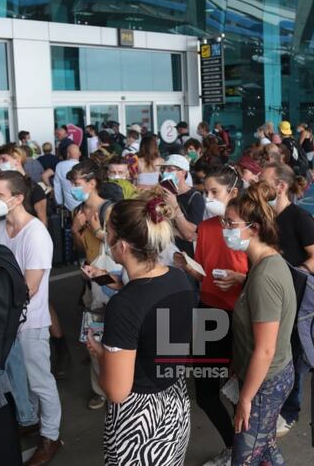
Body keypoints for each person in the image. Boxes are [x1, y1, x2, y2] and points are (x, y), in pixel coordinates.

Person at [86, 195, 195, 466]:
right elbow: (146, 301)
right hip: (175, 406)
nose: (103, 236)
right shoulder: (177, 277)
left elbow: (117, 391)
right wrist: (100, 276)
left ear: (122, 246)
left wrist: (100, 353)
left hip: (140, 424)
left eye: (106, 231)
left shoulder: (124, 306)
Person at [172, 166, 247, 465]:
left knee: (241, 392)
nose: (209, 197)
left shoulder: (247, 228)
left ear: (233, 193)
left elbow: (265, 273)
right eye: (205, 191)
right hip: (208, 313)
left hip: (240, 318)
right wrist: (188, 267)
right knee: (206, 392)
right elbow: (204, 270)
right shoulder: (205, 228)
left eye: (215, 192)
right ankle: (234, 446)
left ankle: (248, 448)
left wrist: (240, 279)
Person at [0, 171, 62, 465]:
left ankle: (51, 436)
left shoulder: (35, 234)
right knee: (19, 379)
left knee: (40, 381)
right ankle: (29, 420)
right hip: (8, 320)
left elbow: (29, 287)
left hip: (30, 322)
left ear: (18, 198)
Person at [223, 181, 296, 464]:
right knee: (265, 447)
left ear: (253, 228)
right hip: (269, 376)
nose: (225, 229)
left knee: (245, 457)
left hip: (265, 384)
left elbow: (265, 350)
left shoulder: (264, 276)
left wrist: (245, 399)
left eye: (230, 223)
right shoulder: (265, 262)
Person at [260, 163, 314, 437]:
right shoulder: (265, 218)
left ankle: (290, 411)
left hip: (295, 299)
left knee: (294, 354)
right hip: (271, 296)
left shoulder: (299, 217)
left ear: (280, 187)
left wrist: (288, 279)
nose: (258, 189)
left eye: (264, 183)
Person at [67, 160, 114, 410]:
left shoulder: (109, 210)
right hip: (90, 283)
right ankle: (101, 389)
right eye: (72, 184)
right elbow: (80, 249)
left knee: (117, 335)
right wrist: (76, 231)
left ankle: (121, 383)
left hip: (110, 280)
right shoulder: (78, 211)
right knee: (93, 336)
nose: (73, 189)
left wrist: (96, 230)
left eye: (77, 184)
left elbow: (119, 245)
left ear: (92, 183)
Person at [159, 154, 205, 257]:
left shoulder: (195, 198)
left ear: (183, 172)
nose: (165, 172)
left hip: (184, 255)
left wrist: (175, 205)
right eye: (164, 169)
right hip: (164, 251)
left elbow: (188, 234)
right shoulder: (163, 192)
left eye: (170, 169)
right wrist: (176, 232)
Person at [0, 143, 48, 225]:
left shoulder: (34, 188)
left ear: (17, 160)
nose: (0, 163)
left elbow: (43, 221)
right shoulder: (5, 186)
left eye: (4, 159)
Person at [53, 143, 82, 212]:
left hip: (69, 206)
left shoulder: (60, 166)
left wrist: (59, 203)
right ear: (79, 154)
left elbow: (57, 186)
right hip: (83, 203)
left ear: (68, 154)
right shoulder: (84, 167)